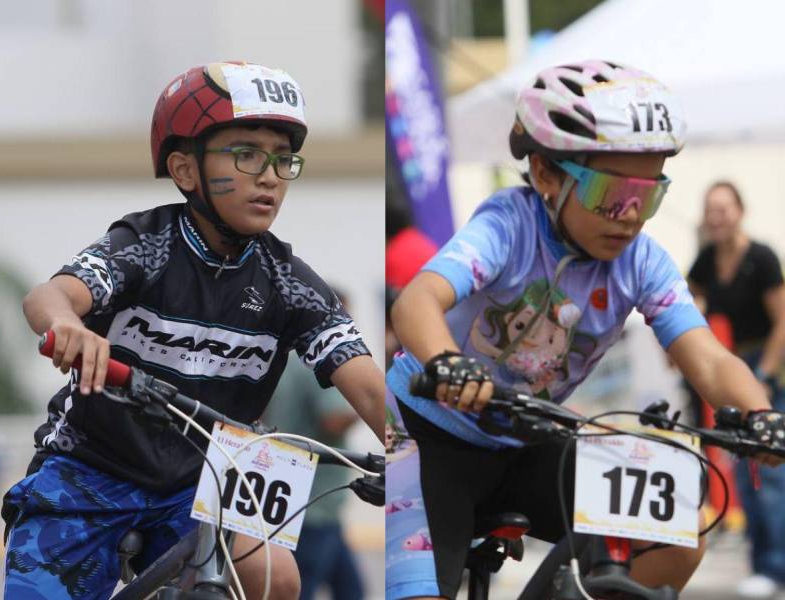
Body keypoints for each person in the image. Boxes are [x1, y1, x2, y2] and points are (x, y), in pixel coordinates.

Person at [385, 59, 785, 600]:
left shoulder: (642, 261)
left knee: (676, 531)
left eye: (647, 198)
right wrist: (445, 362)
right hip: (424, 434)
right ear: (548, 175)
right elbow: (417, 301)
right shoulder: (508, 224)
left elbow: (711, 360)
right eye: (610, 194)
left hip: (526, 441)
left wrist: (762, 418)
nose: (629, 216)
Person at [1, 61, 385, 600]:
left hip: (206, 479)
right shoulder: (145, 244)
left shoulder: (293, 285)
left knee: (278, 581)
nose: (270, 175)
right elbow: (48, 296)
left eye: (281, 159)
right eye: (246, 154)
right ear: (185, 171)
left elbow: (368, 384)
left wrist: (409, 445)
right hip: (90, 466)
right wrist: (69, 327)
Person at [688, 181, 785, 598]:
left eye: (723, 209)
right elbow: (688, 301)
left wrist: (763, 374)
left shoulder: (761, 258)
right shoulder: (707, 260)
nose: (717, 217)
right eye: (711, 210)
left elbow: (783, 321)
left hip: (768, 364)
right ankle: (760, 562)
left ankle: (776, 566)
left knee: (771, 469)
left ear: (740, 211)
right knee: (744, 473)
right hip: (732, 363)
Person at [265, 287, 367, 600]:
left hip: (296, 500)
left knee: (351, 590)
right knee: (303, 590)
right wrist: (370, 399)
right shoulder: (323, 362)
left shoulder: (282, 357)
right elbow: (333, 419)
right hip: (313, 505)